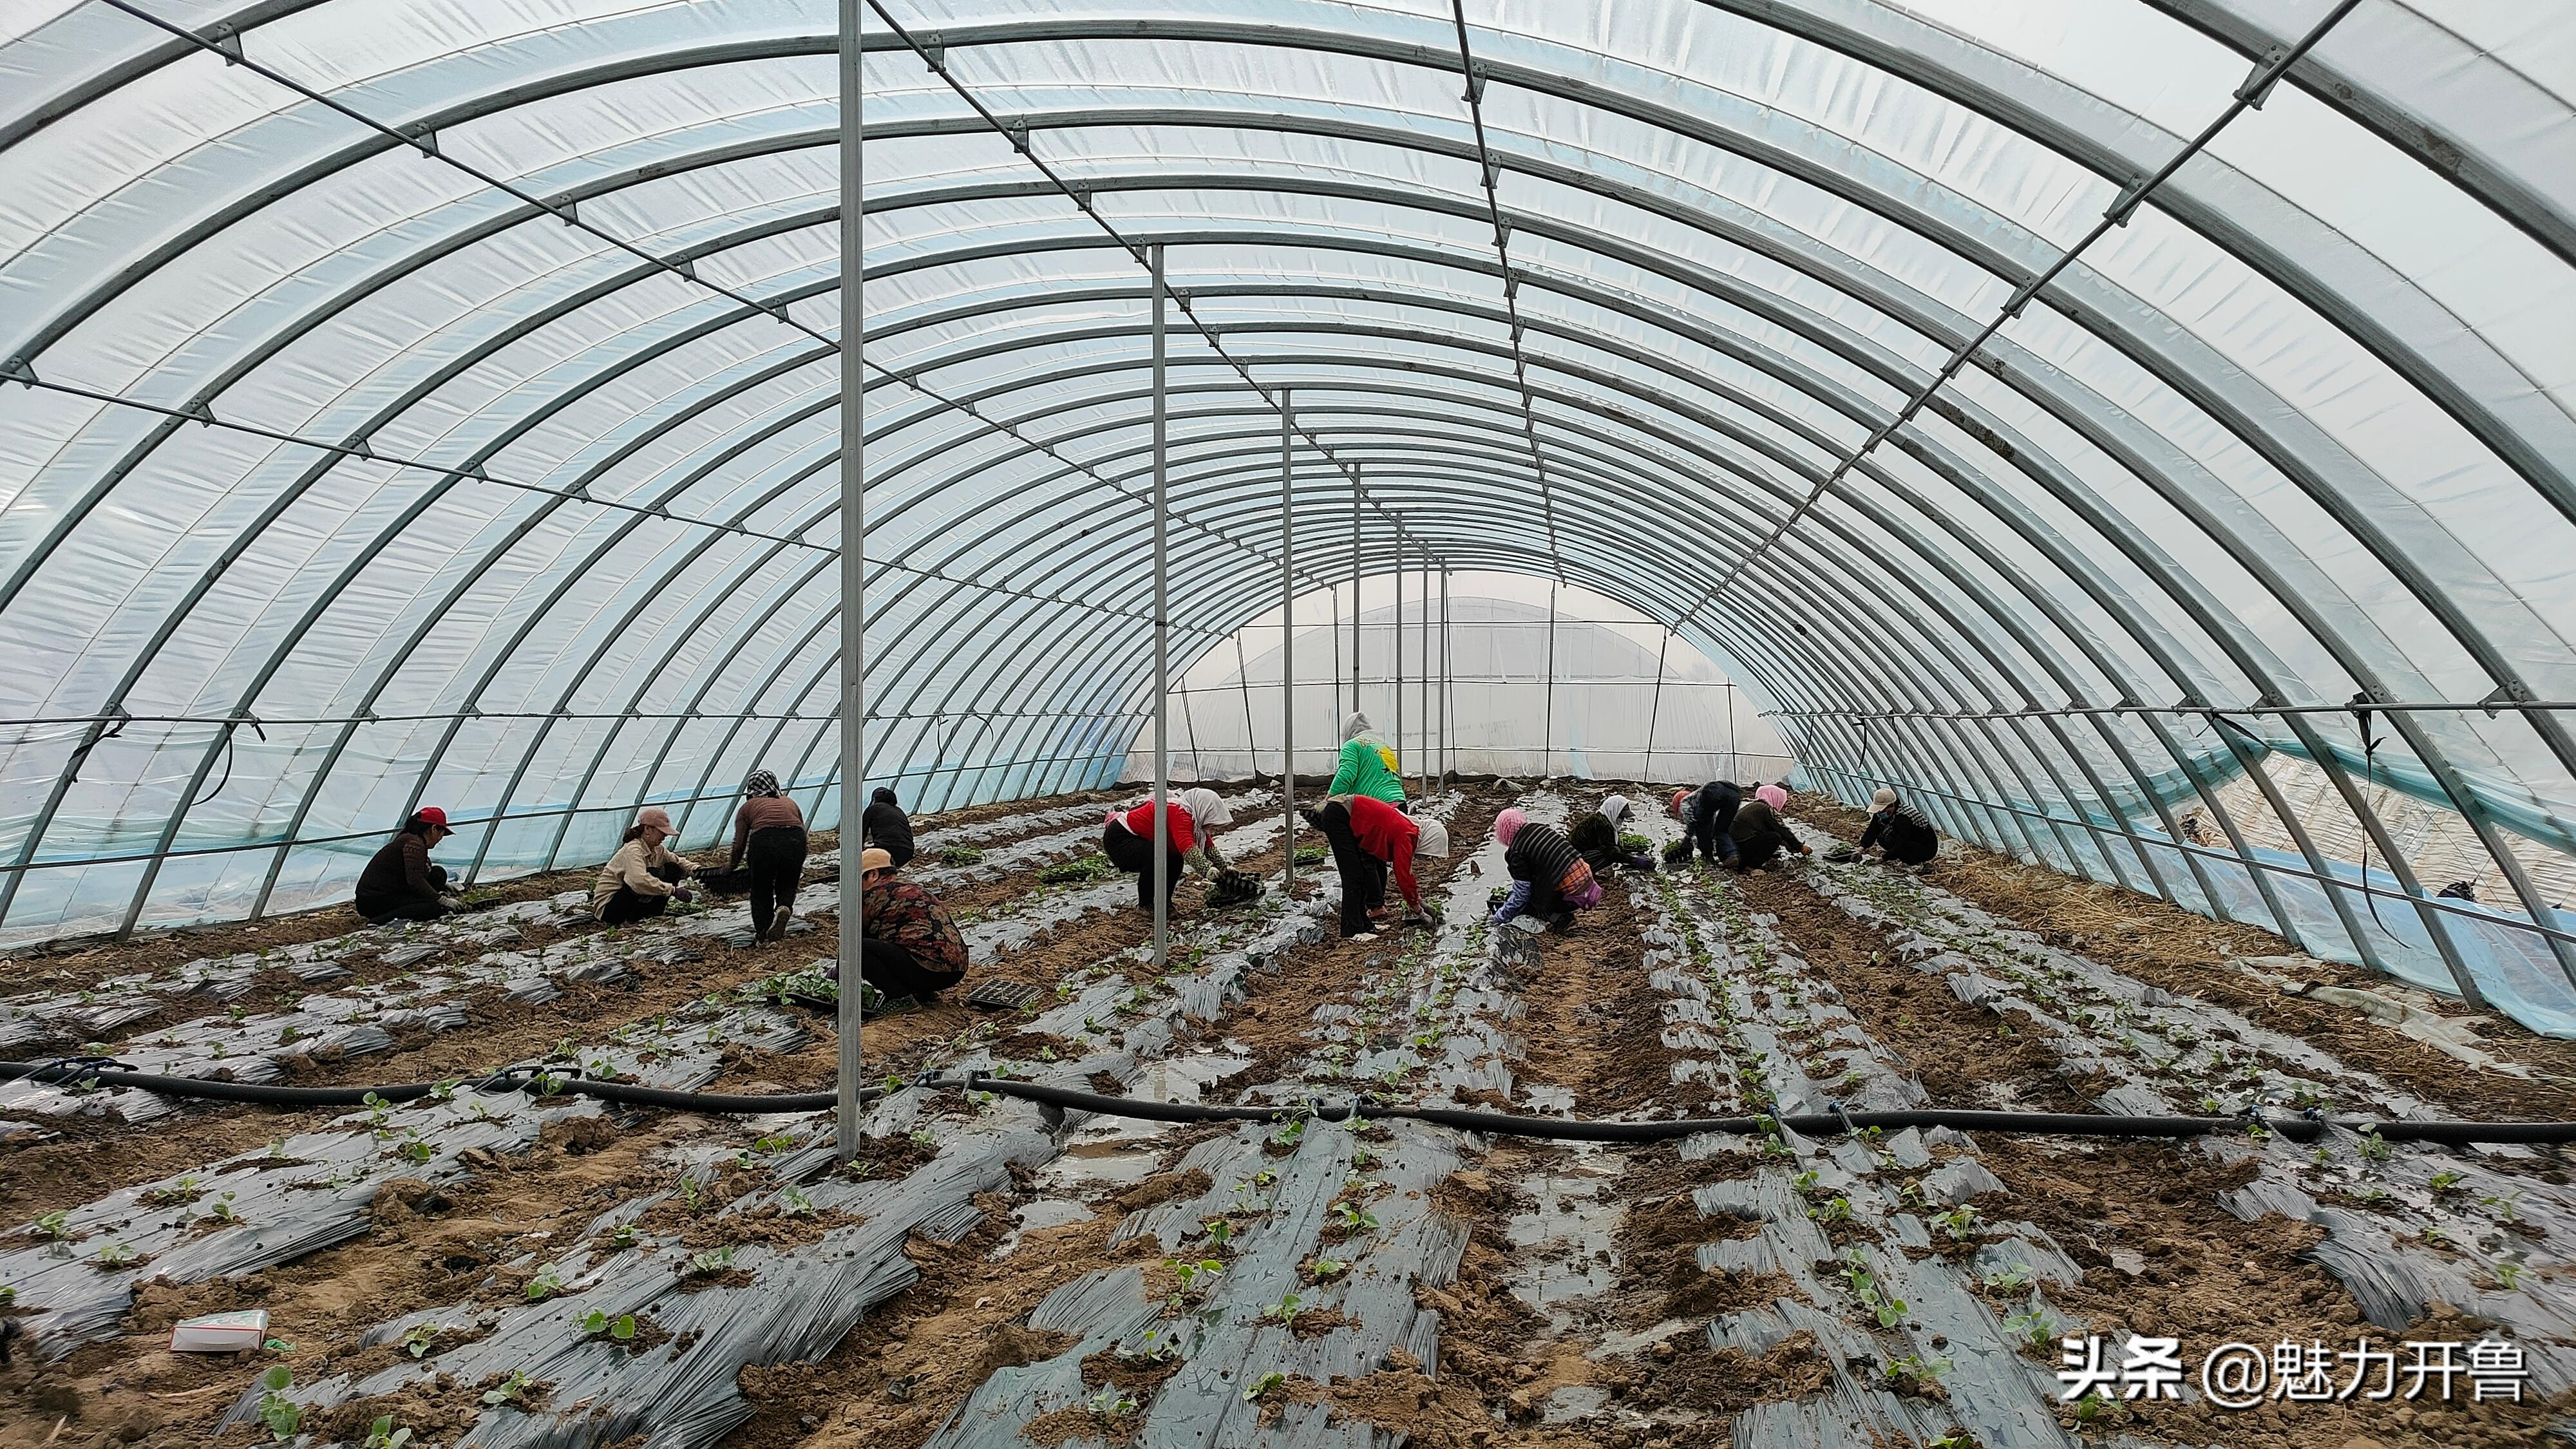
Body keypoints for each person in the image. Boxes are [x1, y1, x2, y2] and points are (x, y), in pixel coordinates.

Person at [1308, 795, 1450, 940]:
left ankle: (1366, 926)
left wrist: (1418, 900)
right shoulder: (1406, 835)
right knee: (1353, 877)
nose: (1424, 858)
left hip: (1347, 815)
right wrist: (1419, 911)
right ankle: (1353, 931)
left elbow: (1407, 874)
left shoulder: (1409, 830)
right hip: (1340, 815)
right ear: (1429, 841)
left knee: (1363, 874)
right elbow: (1403, 876)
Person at [850, 846, 967, 1006]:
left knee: (856, 948)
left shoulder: (876, 893)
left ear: (873, 874)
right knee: (895, 944)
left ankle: (901, 999)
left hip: (930, 970)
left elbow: (854, 937)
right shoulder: (909, 887)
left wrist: (838, 974)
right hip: (956, 969)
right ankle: (922, 993)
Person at [1101, 787, 1235, 911]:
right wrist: (1207, 870)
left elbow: (1208, 847)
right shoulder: (1179, 813)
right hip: (1120, 838)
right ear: (1203, 809)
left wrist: (1224, 868)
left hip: (1138, 838)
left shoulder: (1195, 821)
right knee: (1154, 856)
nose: (1211, 825)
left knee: (1176, 860)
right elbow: (1188, 848)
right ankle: (1145, 905)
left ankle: (1164, 904)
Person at [1492, 808, 1600, 934]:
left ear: (1504, 831)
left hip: (1571, 897)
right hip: (1589, 887)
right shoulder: (1538, 828)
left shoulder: (1517, 851)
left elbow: (1522, 894)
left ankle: (1561, 918)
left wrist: (1499, 917)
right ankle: (1563, 911)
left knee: (1521, 902)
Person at [729, 770, 808, 942]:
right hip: (796, 840)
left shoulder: (747, 807)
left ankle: (763, 934)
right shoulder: (790, 802)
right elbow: (803, 829)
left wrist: (730, 867)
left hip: (765, 841)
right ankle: (784, 906)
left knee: (761, 888)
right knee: (788, 881)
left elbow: (739, 844)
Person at [355, 808, 464, 923]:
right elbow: (415, 880)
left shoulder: (410, 839)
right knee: (433, 909)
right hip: (374, 900)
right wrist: (442, 900)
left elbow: (420, 871)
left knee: (438, 874)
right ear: (433, 829)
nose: (440, 839)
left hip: (385, 893)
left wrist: (442, 886)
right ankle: (379, 921)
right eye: (441, 833)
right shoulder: (414, 844)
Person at [592, 808, 696, 924]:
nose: (665, 836)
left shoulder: (658, 848)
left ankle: (653, 914)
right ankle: (629, 920)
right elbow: (638, 880)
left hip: (629, 902)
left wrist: (697, 870)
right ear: (647, 829)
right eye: (662, 832)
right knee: (648, 875)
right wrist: (672, 890)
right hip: (610, 909)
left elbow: (677, 861)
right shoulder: (633, 850)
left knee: (673, 868)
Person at [1729, 784, 1811, 871]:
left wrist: (1790, 846)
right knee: (1774, 837)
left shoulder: (1755, 807)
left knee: (1772, 837)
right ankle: (1751, 867)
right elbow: (1781, 829)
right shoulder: (1765, 809)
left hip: (1734, 849)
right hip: (1742, 850)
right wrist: (1800, 847)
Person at [1329, 712, 1405, 803]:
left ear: (1347, 730)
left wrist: (1328, 800)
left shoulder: (1352, 745)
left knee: (1333, 812)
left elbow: (1346, 775)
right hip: (1399, 802)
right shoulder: (1384, 745)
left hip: (1378, 804)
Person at [1567, 793, 1653, 873]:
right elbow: (1610, 853)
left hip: (1578, 856)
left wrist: (1636, 852)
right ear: (1614, 811)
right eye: (1621, 816)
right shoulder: (1603, 825)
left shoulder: (1604, 820)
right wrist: (1634, 860)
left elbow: (1616, 847)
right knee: (1613, 853)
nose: (1623, 819)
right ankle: (1585, 873)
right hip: (1574, 861)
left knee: (1616, 850)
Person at [1857, 787, 1938, 870]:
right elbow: (1872, 830)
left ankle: (1915, 862)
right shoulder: (1882, 814)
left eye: (1882, 811)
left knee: (1894, 841)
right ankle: (1901, 856)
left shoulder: (1903, 818)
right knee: (1882, 838)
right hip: (1908, 842)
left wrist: (1882, 859)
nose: (1880, 813)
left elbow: (1902, 843)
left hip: (1925, 848)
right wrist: (1861, 848)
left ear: (1892, 806)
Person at [1669, 782, 1743, 866]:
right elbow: (1712, 823)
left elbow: (1691, 820)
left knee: (1702, 827)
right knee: (1721, 830)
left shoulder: (1685, 801)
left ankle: (1708, 860)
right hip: (1735, 794)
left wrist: (1688, 837)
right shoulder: (1699, 801)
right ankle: (1732, 855)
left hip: (1712, 790)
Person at [862, 786, 915, 868]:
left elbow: (861, 832)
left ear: (874, 799)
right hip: (907, 852)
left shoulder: (873, 809)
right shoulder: (899, 811)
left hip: (886, 851)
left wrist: (858, 854)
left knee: (866, 862)